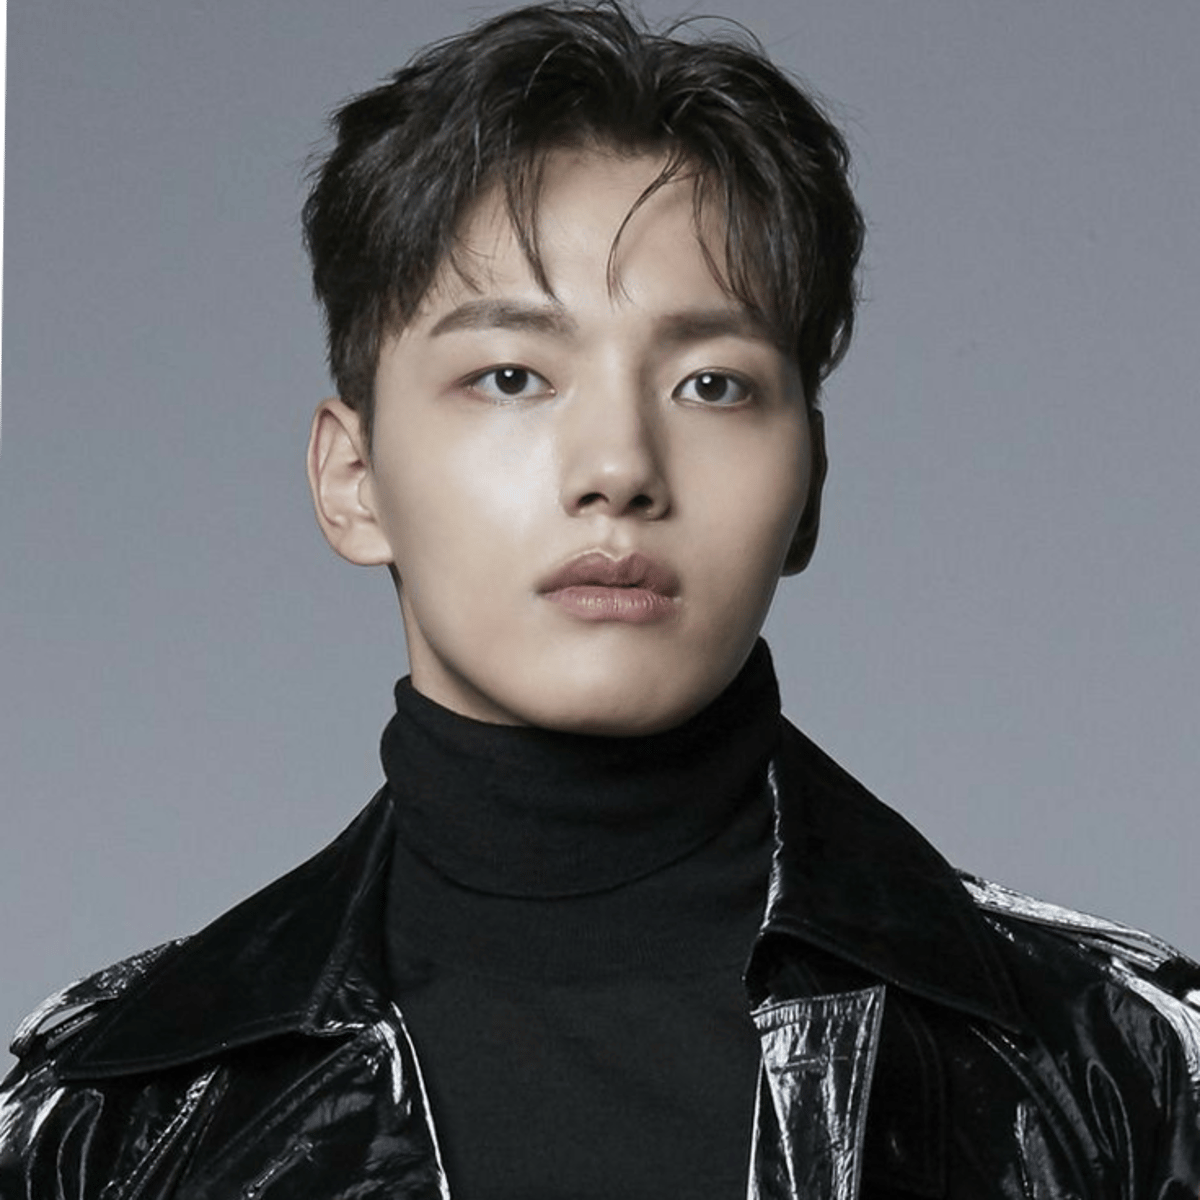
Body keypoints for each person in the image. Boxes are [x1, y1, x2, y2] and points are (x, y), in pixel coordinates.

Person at [1, 2, 1197, 1196]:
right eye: (511, 375)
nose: (619, 467)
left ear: (811, 486)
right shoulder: (112, 1115)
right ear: (353, 479)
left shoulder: (1121, 1066)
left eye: (713, 384)